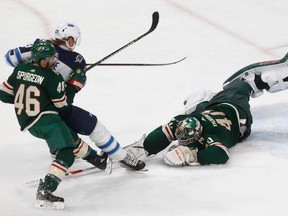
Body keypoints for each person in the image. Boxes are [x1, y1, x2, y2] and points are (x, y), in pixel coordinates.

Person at [4, 22, 145, 171]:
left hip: (32, 110)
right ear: (70, 40)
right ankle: (123, 157)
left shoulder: (38, 47)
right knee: (95, 127)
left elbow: (9, 58)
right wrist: (77, 77)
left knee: (60, 126)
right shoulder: (77, 60)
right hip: (56, 106)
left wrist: (33, 63)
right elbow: (69, 96)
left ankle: (57, 147)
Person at [125, 54, 288, 166]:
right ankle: (210, 97)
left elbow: (221, 155)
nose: (181, 141)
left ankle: (271, 78)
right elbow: (166, 130)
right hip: (230, 116)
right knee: (195, 103)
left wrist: (192, 156)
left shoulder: (211, 134)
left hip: (235, 109)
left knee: (242, 84)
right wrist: (145, 148)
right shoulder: (185, 123)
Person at [0, 40, 104, 208]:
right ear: (41, 60)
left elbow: (3, 95)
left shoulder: (19, 70)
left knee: (70, 137)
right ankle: (45, 191)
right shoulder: (52, 77)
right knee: (67, 153)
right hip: (47, 120)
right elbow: (63, 105)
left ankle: (96, 159)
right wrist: (74, 85)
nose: (53, 61)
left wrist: (29, 98)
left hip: (28, 121)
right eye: (49, 59)